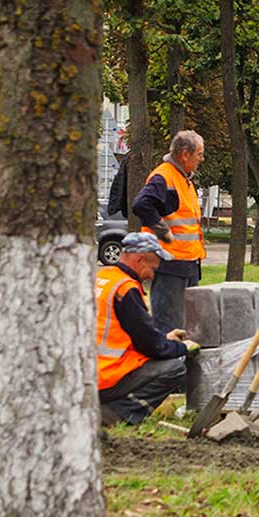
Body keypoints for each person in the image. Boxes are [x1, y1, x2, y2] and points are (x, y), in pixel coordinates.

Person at [96, 232, 200, 426]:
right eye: (153, 266)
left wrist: (165, 337)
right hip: (106, 376)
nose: (154, 272)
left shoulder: (104, 279)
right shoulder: (126, 290)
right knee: (174, 369)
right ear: (139, 259)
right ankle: (113, 414)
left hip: (86, 373)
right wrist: (183, 348)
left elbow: (127, 332)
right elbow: (151, 347)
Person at [132, 130, 206, 333]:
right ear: (184, 154)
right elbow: (141, 204)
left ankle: (180, 362)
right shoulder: (164, 177)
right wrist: (162, 230)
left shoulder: (182, 178)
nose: (201, 159)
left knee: (186, 325)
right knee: (169, 326)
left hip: (187, 264)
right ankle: (169, 363)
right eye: (199, 154)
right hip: (170, 265)